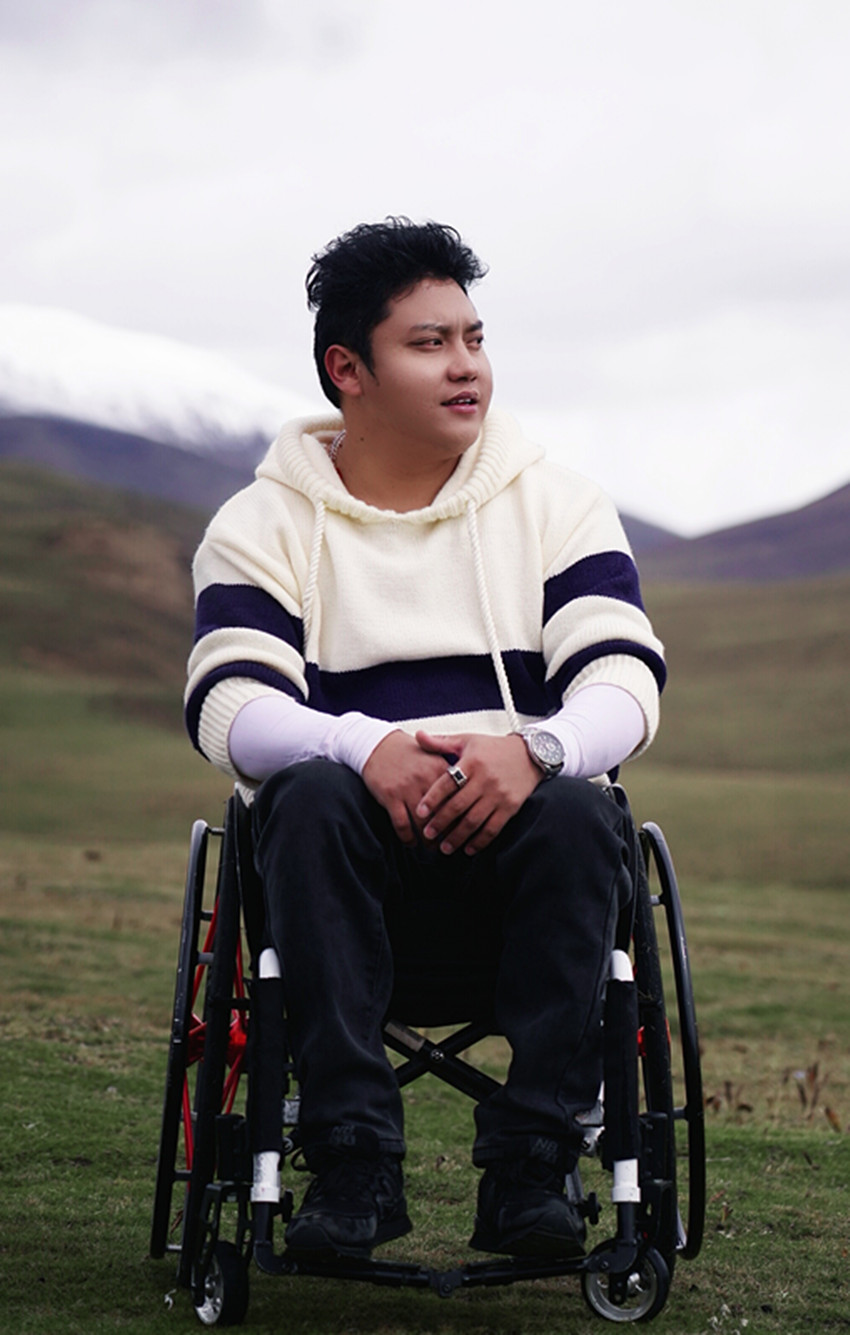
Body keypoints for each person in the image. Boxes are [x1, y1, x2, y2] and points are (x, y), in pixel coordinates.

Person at [185, 218, 666, 1263]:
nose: (466, 367)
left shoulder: (558, 504)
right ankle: (352, 1163)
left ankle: (534, 1167)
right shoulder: (260, 526)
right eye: (429, 343)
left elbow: (625, 682)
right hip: (342, 889)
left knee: (582, 812)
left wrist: (534, 752)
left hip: (527, 887)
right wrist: (363, 748)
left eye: (474, 338)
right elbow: (231, 707)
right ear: (346, 369)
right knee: (306, 792)